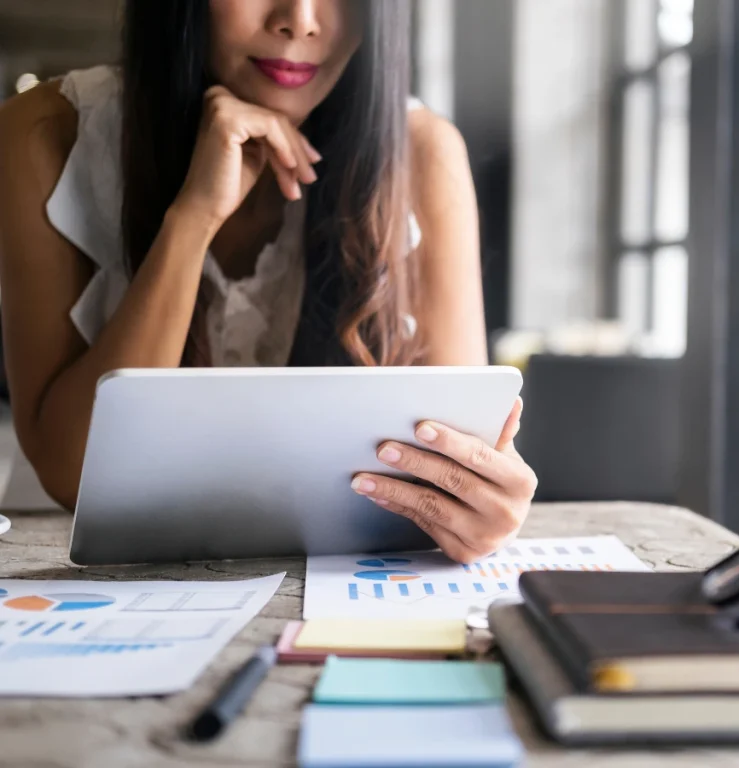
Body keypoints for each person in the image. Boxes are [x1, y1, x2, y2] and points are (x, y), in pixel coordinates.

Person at [0, 0, 536, 563]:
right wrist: (191, 222)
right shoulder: (42, 136)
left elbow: (458, 464)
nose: (300, 19)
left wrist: (480, 505)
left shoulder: (423, 152)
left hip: (329, 586)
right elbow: (72, 477)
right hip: (71, 578)